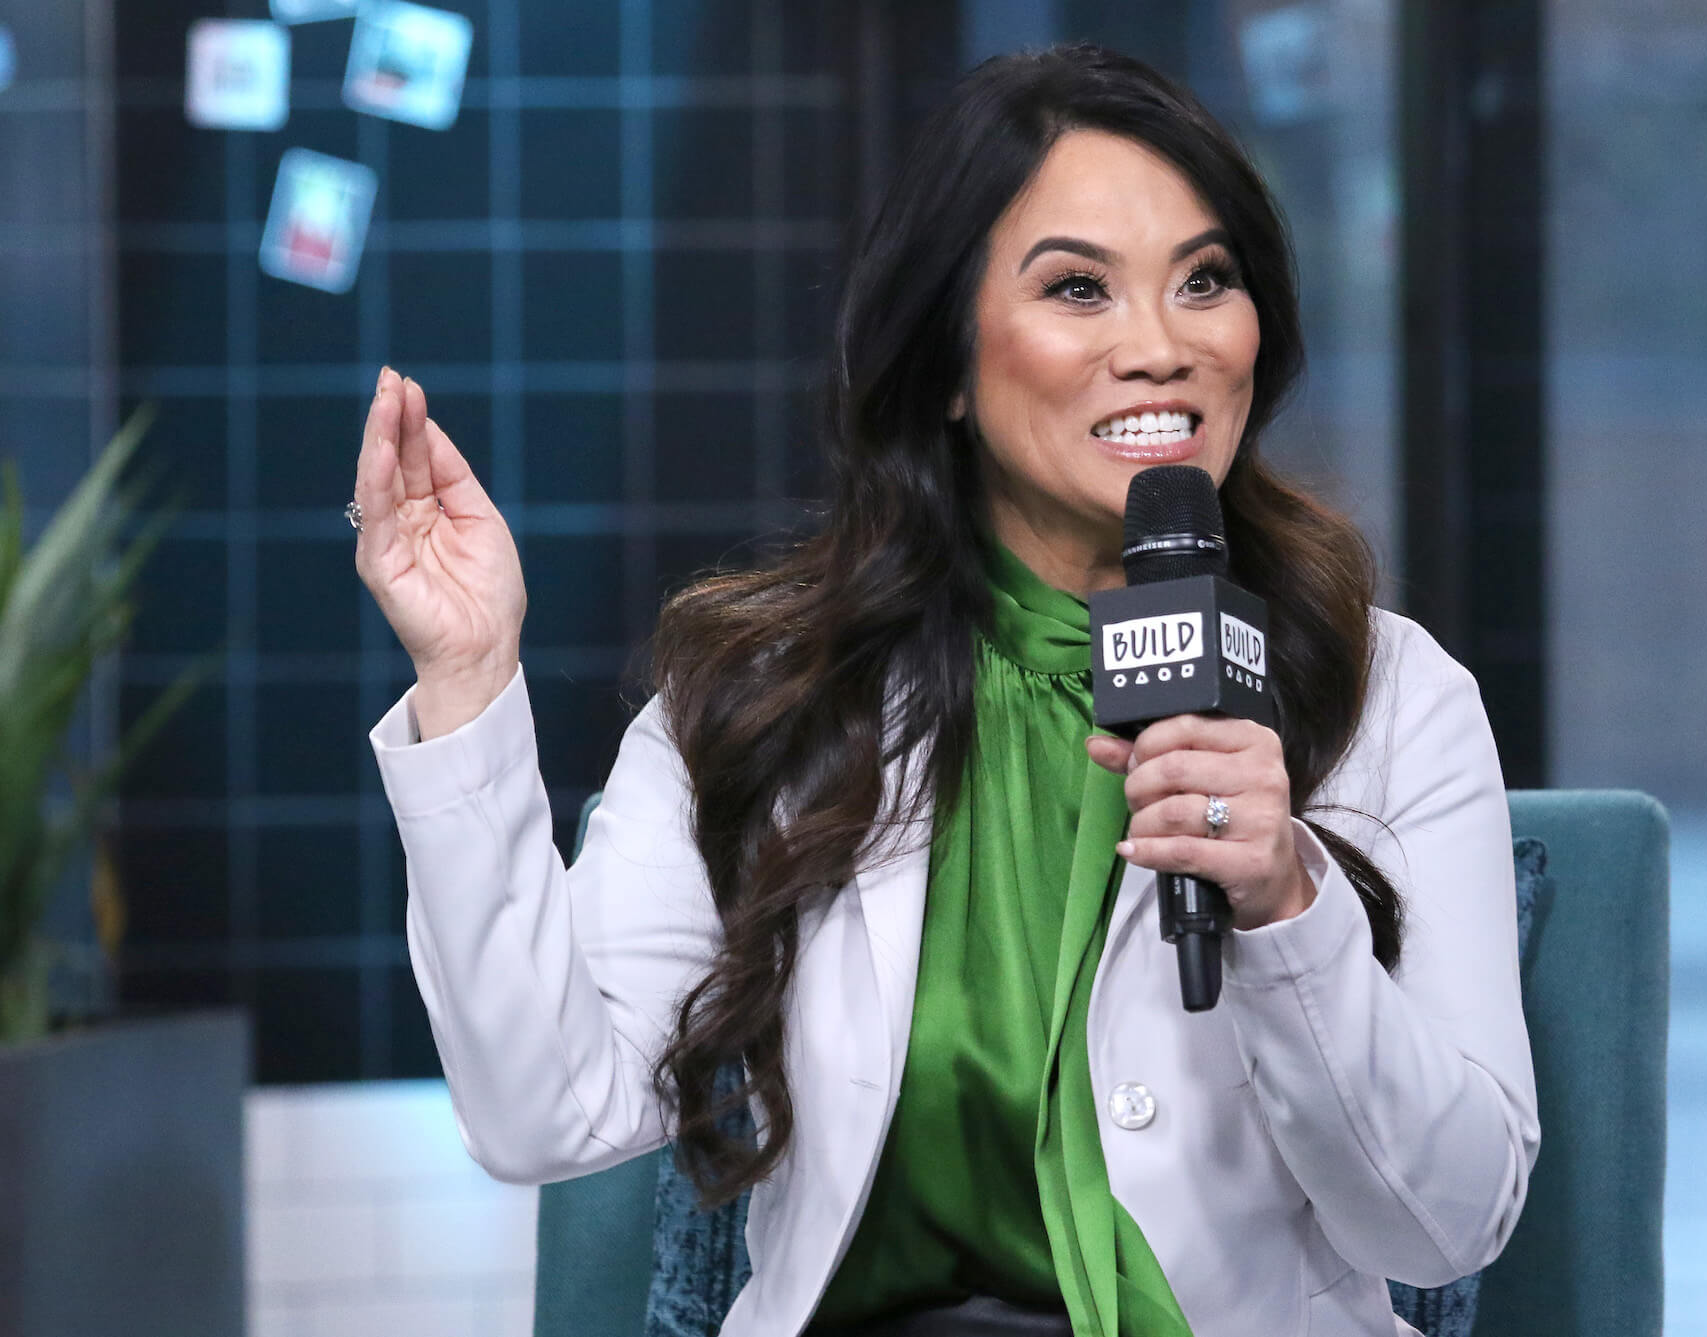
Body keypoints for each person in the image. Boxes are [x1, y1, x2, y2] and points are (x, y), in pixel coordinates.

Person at [353, 43, 1536, 1337]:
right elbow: (546, 1111)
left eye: (1206, 280)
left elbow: (1447, 1224)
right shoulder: (769, 690)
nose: (1163, 346)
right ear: (952, 365)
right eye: (1078, 288)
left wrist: (1286, 904)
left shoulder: (1389, 696)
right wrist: (466, 678)